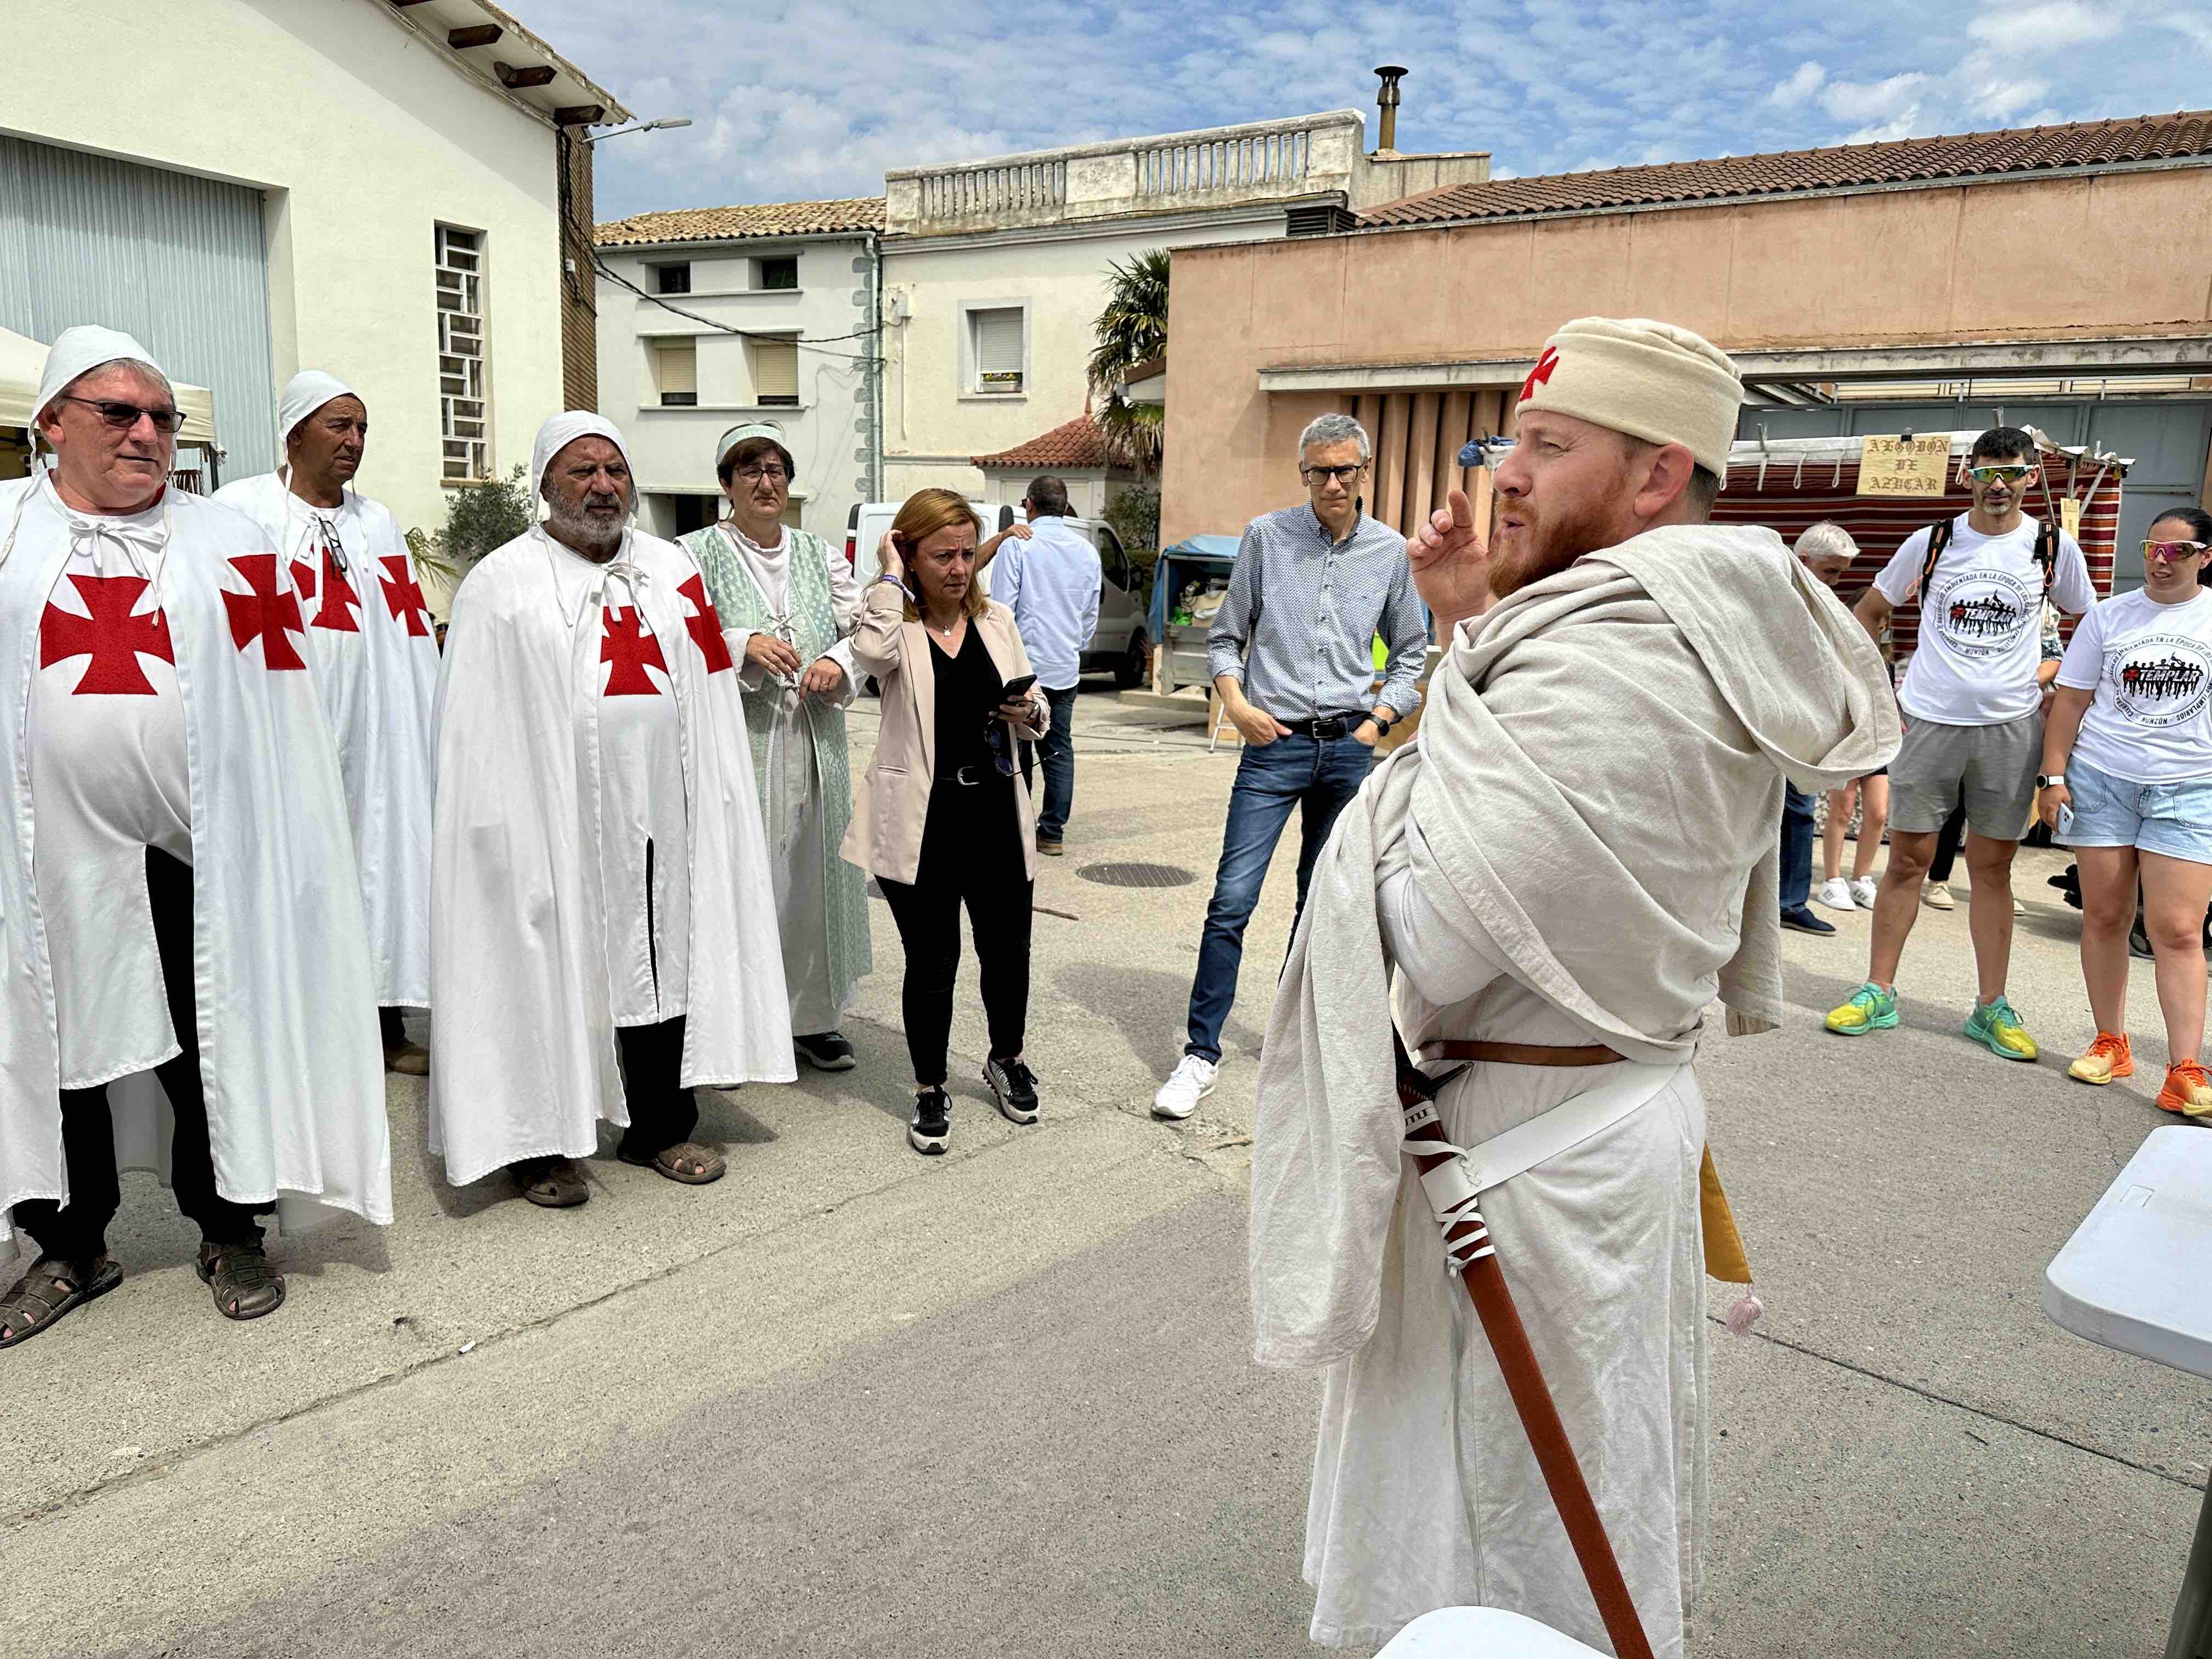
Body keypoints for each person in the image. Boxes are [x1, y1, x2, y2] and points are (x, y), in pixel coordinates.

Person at [1248, 317, 1898, 1651]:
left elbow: (1431, 928)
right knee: (1500, 1491)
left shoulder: (1629, 657)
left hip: (1543, 1165)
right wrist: (1470, 624)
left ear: (1657, 476)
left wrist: (1426, 732)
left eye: (1549, 447)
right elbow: (1502, 821)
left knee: (1528, 1518)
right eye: (1514, 443)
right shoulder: (1617, 629)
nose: (1509, 477)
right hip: (1544, 1132)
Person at [1, 327, 391, 1345]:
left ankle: (228, 1226)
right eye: (117, 412)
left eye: (162, 417)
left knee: (213, 1038)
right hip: (41, 855)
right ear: (51, 424)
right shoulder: (2, 533)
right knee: (55, 1049)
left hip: (194, 853)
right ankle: (70, 1242)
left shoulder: (227, 542)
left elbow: (279, 706)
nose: (145, 432)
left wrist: (283, 838)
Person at [427, 413, 794, 1207]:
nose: (603, 486)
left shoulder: (671, 569)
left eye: (615, 470)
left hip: (662, 815)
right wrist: (493, 833)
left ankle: (660, 1127)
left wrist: (717, 799)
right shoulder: (499, 585)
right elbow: (471, 730)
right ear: (545, 484)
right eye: (583, 470)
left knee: (661, 964)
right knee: (543, 967)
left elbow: (709, 688)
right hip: (546, 823)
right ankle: (541, 1144)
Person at [1152, 413, 1428, 1121]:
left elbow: (1410, 654)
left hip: (1348, 748)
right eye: (1318, 472)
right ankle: (1200, 1054)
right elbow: (1225, 637)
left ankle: (1289, 1042)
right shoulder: (1266, 538)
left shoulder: (1389, 553)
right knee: (1231, 901)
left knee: (1322, 905)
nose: (1332, 483)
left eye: (1344, 470)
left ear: (1364, 472)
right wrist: (1237, 706)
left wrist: (1376, 724)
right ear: (1303, 474)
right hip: (1272, 745)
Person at [1827, 427, 2096, 1057]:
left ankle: (1990, 1006)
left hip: (2012, 728)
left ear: (2031, 477)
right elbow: (1871, 610)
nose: (1997, 486)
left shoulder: (2053, 546)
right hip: (1929, 723)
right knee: (1907, 861)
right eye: (1985, 473)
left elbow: (2091, 622)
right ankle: (1877, 990)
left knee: (1992, 868)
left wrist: (2059, 683)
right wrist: (1870, 692)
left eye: (2011, 473)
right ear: (1966, 475)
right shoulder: (1934, 541)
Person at [213, 371, 440, 1075]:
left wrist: (420, 725)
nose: (354, 441)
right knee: (292, 872)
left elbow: (408, 635)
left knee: (377, 866)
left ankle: (384, 1032)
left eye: (362, 428)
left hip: (371, 733)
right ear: (294, 432)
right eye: (339, 425)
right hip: (283, 729)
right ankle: (294, 1036)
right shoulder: (240, 510)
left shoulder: (376, 522)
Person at [845, 490, 1049, 1154]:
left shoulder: (997, 620)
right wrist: (888, 574)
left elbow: (1037, 703)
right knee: (932, 961)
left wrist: (1030, 714)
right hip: (923, 819)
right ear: (910, 554)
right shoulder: (891, 624)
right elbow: (869, 655)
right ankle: (930, 1086)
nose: (960, 568)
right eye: (942, 556)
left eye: (966, 553)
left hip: (994, 810)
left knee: (1007, 952)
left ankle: (1007, 1057)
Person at [679, 422, 872, 1074]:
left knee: (811, 881)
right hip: (741, 745)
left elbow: (869, 629)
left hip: (815, 741)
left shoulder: (820, 555)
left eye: (776, 471)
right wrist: (741, 644)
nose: (766, 483)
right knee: (744, 879)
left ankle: (814, 1019)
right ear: (727, 484)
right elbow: (674, 633)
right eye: (750, 471)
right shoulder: (691, 555)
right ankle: (735, 1027)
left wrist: (840, 662)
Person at [2041, 507, 2212, 1116]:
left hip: (2190, 788)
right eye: (2151, 549)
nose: (2161, 562)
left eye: (2177, 551)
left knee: (2179, 930)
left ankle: (2185, 1069)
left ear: (2205, 557)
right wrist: (2052, 777)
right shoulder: (2110, 616)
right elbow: (2071, 701)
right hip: (2102, 781)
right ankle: (2110, 1042)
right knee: (2106, 916)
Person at [992, 473, 1101, 857]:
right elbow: (1090, 615)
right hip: (1064, 668)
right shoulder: (1087, 551)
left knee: (1017, 748)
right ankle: (1052, 832)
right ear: (1065, 507)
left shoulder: (1019, 545)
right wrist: (1071, 647)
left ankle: (1018, 828)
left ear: (1030, 505)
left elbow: (1001, 610)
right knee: (1058, 749)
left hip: (1022, 670)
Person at [1792, 522, 1891, 915]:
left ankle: (1802, 897)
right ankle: (1818, 886)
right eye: (1830, 571)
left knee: (1870, 812)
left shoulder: (1827, 605)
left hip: (1843, 722)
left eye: (1840, 573)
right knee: (1822, 809)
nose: (1835, 581)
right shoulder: (1784, 599)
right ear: (1803, 561)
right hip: (1800, 723)